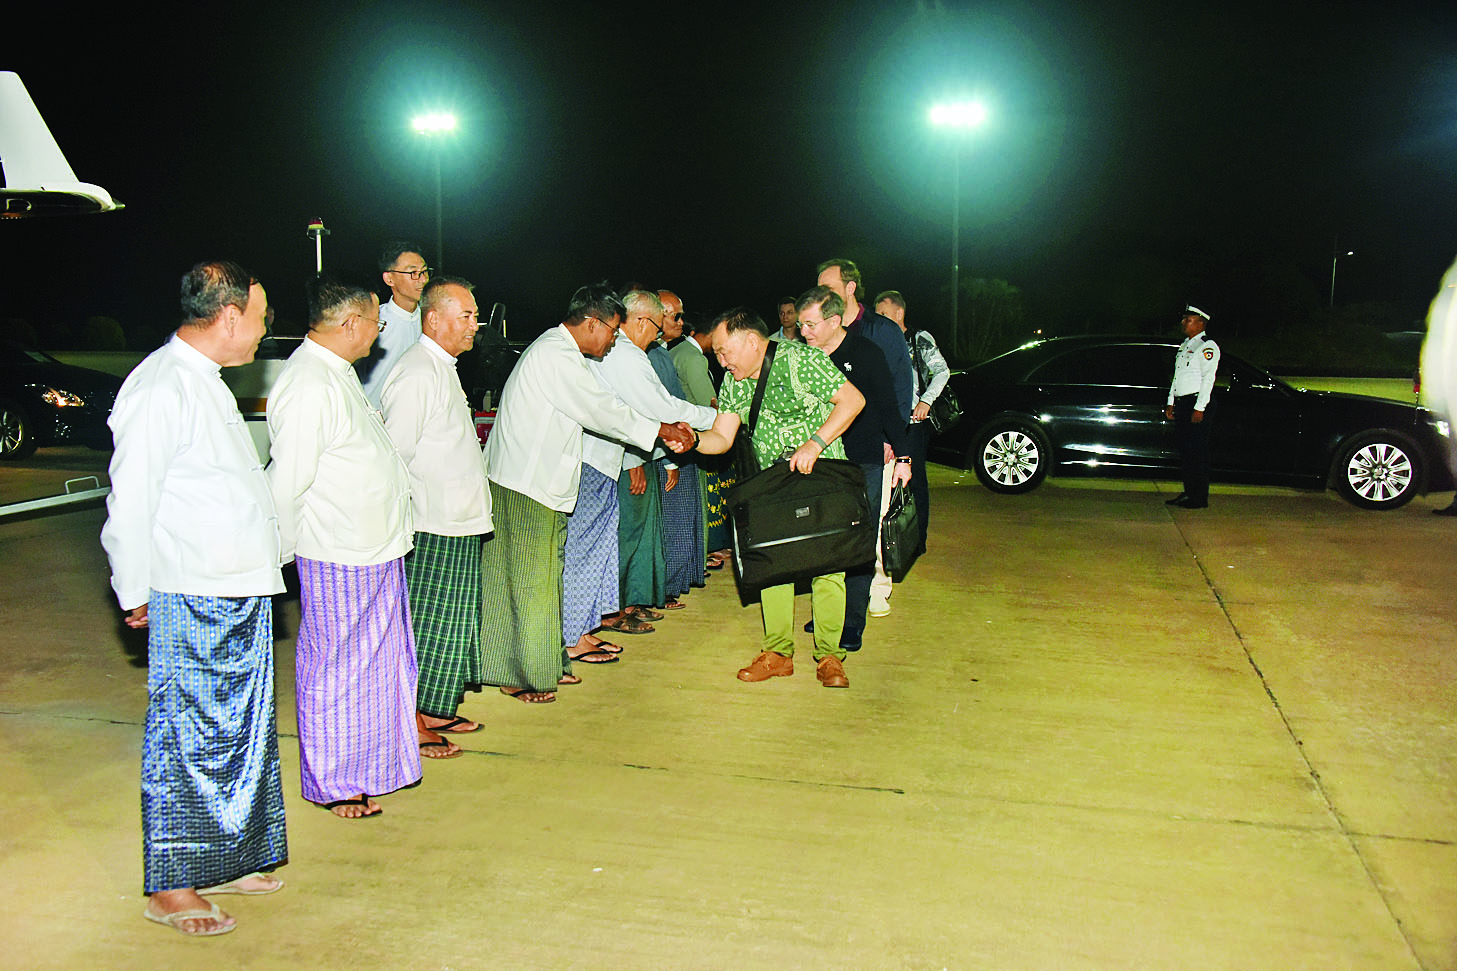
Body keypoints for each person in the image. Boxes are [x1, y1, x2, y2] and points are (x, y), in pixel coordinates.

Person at [102, 260, 287, 937]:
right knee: (187, 736)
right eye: (260, 318)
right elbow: (131, 499)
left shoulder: (204, 380)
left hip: (236, 585)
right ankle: (171, 886)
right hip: (192, 588)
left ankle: (226, 855)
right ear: (230, 315)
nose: (264, 332)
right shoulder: (160, 386)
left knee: (239, 731)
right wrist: (134, 588)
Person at [481, 284, 694, 703]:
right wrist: (661, 430)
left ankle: (537, 665)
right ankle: (524, 673)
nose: (614, 340)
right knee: (531, 582)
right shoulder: (556, 355)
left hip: (536, 483)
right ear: (592, 323)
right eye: (612, 331)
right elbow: (602, 410)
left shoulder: (561, 351)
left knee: (541, 579)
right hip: (526, 484)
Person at [268, 277, 419, 818]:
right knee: (336, 670)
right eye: (377, 323)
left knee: (377, 669)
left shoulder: (337, 373)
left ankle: (370, 765)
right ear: (351, 323)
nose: (379, 334)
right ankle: (334, 781)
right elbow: (287, 482)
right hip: (338, 552)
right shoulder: (310, 383)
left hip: (372, 548)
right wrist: (276, 560)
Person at [692, 308, 866, 688]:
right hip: (772, 485)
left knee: (829, 566)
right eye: (717, 354)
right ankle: (778, 654)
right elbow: (721, 438)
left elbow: (853, 401)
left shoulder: (802, 360)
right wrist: (691, 440)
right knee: (773, 560)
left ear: (752, 342)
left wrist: (815, 444)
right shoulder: (734, 381)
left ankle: (830, 657)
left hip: (822, 477)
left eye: (724, 351)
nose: (721, 361)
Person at [380, 275, 493, 760]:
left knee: (451, 623)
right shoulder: (417, 373)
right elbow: (394, 457)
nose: (474, 325)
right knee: (428, 625)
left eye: (474, 316)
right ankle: (412, 719)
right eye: (466, 316)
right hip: (433, 523)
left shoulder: (441, 367)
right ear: (433, 319)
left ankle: (434, 708)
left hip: (458, 519)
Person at [799, 286, 912, 654]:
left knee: (859, 542)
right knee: (824, 541)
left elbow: (890, 408)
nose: (804, 332)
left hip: (863, 460)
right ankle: (828, 612)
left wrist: (904, 458)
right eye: (801, 325)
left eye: (811, 325)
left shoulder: (865, 353)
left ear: (834, 321)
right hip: (821, 463)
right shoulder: (804, 358)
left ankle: (852, 622)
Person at [876, 289, 949, 555]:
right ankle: (889, 538)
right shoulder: (878, 341)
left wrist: (926, 401)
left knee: (914, 481)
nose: (880, 320)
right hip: (886, 421)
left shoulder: (919, 338)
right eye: (877, 315)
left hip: (913, 422)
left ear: (899, 313)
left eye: (884, 314)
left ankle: (917, 541)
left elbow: (942, 371)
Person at [358, 241, 431, 406]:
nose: (422, 279)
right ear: (389, 278)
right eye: (413, 272)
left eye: (424, 271)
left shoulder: (432, 320)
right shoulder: (374, 322)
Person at [1164, 304, 1220, 509]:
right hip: (1184, 402)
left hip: (1197, 402)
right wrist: (1171, 401)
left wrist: (1200, 407)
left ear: (1200, 324)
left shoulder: (1207, 346)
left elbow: (1208, 379)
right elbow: (1177, 377)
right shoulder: (1186, 345)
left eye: (1188, 320)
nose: (1183, 323)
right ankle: (1189, 492)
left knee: (1197, 452)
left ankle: (1199, 497)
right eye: (1184, 320)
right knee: (1186, 451)